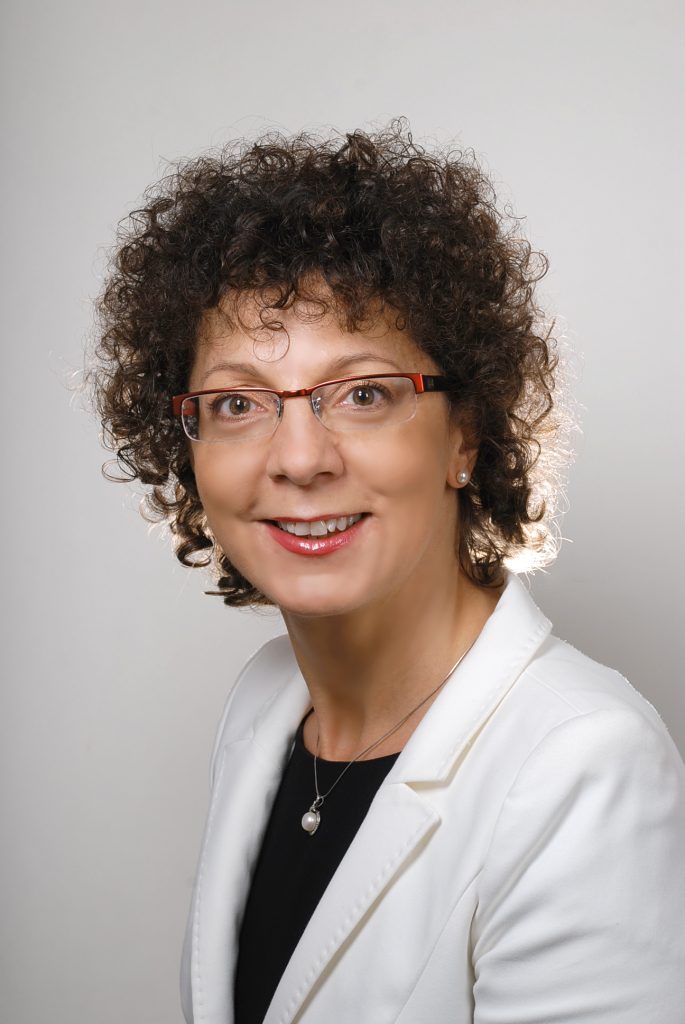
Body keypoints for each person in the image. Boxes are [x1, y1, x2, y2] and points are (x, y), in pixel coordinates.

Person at [90, 119, 685, 1024]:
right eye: (238, 402)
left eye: (363, 394)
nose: (299, 459)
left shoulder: (582, 765)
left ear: (464, 437)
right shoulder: (264, 704)